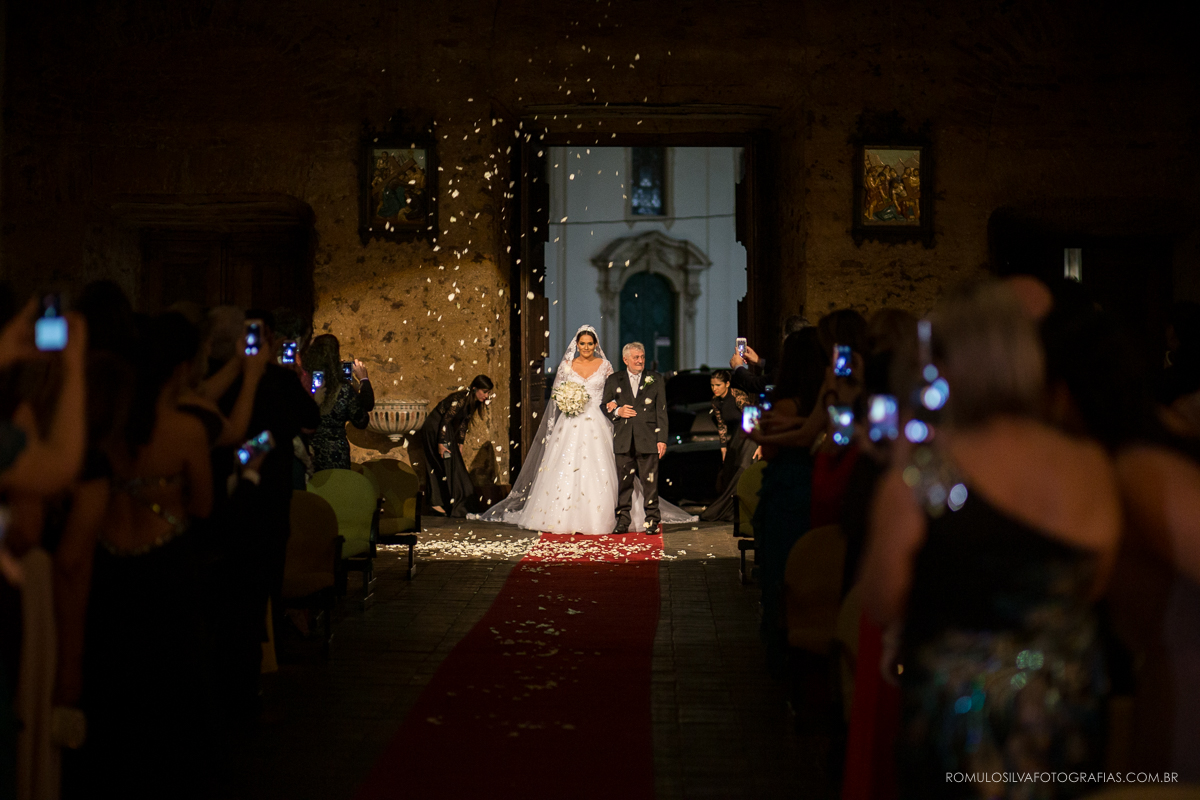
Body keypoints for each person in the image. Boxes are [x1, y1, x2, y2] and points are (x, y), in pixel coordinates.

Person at [860, 281, 1121, 798]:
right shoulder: (1090, 463)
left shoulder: (926, 469)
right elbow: (1096, 583)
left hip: (959, 721)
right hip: (1066, 712)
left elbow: (881, 596)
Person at [471, 325, 695, 534]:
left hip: (599, 422)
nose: (586, 347)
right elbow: (557, 395)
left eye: (590, 343)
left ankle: (620, 516)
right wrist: (569, 402)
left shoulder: (606, 367)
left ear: (595, 344)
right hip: (571, 422)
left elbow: (614, 395)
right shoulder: (567, 366)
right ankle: (564, 515)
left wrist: (616, 410)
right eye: (583, 344)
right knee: (566, 466)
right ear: (576, 345)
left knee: (610, 469)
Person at [603, 340, 669, 534]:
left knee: (650, 482)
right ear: (626, 359)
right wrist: (618, 412)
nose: (640, 361)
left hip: (648, 438)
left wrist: (662, 439)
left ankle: (652, 521)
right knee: (624, 483)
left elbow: (662, 411)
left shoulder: (655, 379)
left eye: (642, 357)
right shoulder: (614, 380)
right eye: (636, 357)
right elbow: (604, 404)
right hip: (624, 438)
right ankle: (623, 520)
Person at [422, 374, 494, 517]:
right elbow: (445, 420)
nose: (486, 396)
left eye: (488, 392)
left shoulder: (471, 402)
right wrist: (441, 443)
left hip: (443, 430)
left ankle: (449, 503)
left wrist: (460, 444)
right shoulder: (460, 399)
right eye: (484, 392)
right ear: (475, 389)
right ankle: (439, 503)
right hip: (436, 429)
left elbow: (463, 424)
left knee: (452, 464)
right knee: (445, 463)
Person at [303, 333, 373, 472]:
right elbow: (361, 420)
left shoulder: (303, 381)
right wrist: (363, 380)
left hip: (308, 450)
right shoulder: (343, 389)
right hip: (335, 454)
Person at [700, 369, 755, 522]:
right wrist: (723, 447)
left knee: (740, 469)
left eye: (718, 385)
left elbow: (751, 416)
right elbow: (721, 425)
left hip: (748, 435)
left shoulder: (738, 396)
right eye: (712, 385)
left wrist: (758, 442)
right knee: (728, 471)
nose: (715, 388)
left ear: (727, 384)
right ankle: (730, 510)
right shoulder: (716, 401)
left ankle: (739, 511)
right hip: (735, 437)